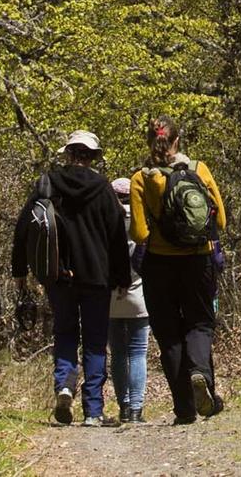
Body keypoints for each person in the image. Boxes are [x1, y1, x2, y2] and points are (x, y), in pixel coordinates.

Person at [12, 130, 130, 427]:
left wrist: (20, 272)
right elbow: (117, 236)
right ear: (92, 157)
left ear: (68, 154)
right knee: (93, 342)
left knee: (64, 333)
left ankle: (64, 385)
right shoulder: (103, 188)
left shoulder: (48, 183)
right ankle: (93, 411)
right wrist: (122, 276)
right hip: (96, 277)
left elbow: (24, 228)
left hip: (58, 275)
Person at [129, 116, 228, 424]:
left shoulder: (141, 178)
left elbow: (139, 233)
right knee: (200, 324)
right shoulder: (199, 169)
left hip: (160, 265)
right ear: (177, 141)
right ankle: (200, 373)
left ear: (149, 142)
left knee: (169, 336)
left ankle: (184, 409)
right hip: (199, 260)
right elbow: (220, 222)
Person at [106, 175, 151, 425]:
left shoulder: (105, 221)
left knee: (118, 353)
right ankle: (136, 409)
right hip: (139, 293)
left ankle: (123, 406)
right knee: (138, 353)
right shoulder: (141, 221)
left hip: (111, 294)